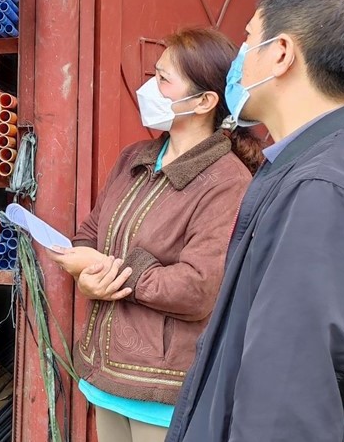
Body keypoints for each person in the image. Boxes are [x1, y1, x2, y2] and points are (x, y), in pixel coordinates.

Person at [166, 0, 344, 442]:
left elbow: (283, 414)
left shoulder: (324, 193)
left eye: (249, 39)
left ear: (282, 53)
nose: (241, 55)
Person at [51, 27, 262, 442]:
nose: (150, 87)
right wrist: (87, 275)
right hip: (105, 372)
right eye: (155, 74)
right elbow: (91, 232)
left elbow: (197, 288)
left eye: (164, 80)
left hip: (163, 386)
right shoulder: (136, 156)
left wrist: (113, 270)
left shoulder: (226, 180)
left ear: (204, 101)